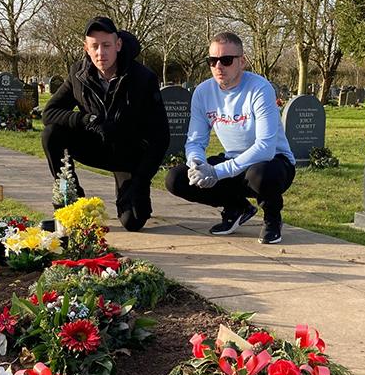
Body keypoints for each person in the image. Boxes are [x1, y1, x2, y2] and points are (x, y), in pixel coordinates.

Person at [165, 32, 295, 244]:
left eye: (226, 60)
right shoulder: (203, 92)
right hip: (233, 160)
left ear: (241, 61)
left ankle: (272, 219)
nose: (219, 66)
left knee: (260, 173)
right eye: (212, 61)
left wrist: (217, 172)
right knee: (176, 179)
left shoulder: (260, 89)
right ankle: (237, 207)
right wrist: (197, 164)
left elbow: (265, 147)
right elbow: (195, 141)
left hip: (274, 162)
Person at [41, 16, 169, 232]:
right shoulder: (78, 74)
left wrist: (140, 182)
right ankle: (69, 194)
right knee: (51, 134)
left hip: (128, 154)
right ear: (86, 48)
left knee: (133, 221)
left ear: (118, 45)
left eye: (107, 45)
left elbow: (161, 136)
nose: (101, 53)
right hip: (94, 145)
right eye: (95, 46)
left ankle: (130, 196)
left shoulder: (143, 78)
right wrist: (84, 119)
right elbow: (49, 113)